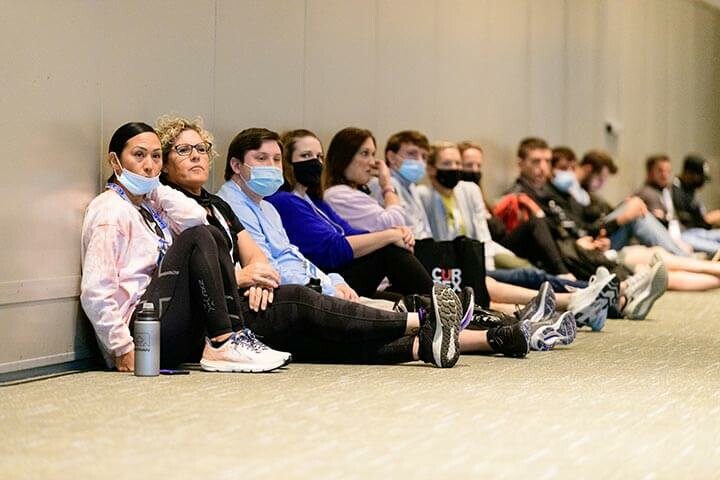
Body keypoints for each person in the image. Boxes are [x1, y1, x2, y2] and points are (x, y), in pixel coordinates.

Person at [154, 117, 473, 367]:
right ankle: (427, 320)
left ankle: (432, 344)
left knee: (319, 338)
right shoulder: (167, 206)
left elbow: (266, 256)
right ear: (164, 161)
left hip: (263, 290)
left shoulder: (224, 204)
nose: (196, 156)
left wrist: (273, 273)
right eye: (184, 150)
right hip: (223, 309)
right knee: (304, 303)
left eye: (201, 149)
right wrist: (246, 276)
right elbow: (176, 270)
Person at [214, 126, 536, 358]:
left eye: (275, 160)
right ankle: (442, 319)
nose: (272, 167)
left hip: (316, 281)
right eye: (262, 158)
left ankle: (485, 335)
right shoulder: (246, 203)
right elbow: (318, 252)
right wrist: (330, 280)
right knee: (366, 310)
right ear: (236, 165)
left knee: (368, 315)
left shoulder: (270, 205)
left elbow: (293, 253)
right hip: (285, 294)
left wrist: (332, 281)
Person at [80, 122, 291, 374]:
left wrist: (154, 187)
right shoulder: (109, 210)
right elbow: (95, 291)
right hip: (139, 337)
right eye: (139, 155)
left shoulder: (148, 206)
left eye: (156, 157)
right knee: (198, 238)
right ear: (115, 162)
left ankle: (232, 338)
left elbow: (197, 217)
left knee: (209, 232)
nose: (149, 165)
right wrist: (122, 349)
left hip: (168, 326)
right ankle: (223, 341)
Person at [506, 137, 669, 320]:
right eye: (536, 161)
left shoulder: (551, 193)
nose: (543, 167)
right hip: (553, 258)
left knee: (622, 256)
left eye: (547, 161)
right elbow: (536, 233)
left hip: (571, 248)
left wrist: (586, 239)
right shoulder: (518, 195)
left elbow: (576, 224)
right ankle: (627, 291)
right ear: (520, 163)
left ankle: (628, 292)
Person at [265, 128, 433, 298]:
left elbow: (349, 232)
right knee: (389, 250)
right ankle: (442, 307)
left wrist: (394, 233)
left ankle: (439, 309)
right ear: (287, 162)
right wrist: (390, 234)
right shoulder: (284, 201)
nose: (315, 162)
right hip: (320, 282)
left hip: (339, 276)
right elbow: (331, 248)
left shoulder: (315, 201)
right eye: (306, 156)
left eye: (319, 157)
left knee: (401, 299)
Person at [637, 154, 720, 256]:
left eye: (668, 171)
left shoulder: (666, 191)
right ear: (650, 172)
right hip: (679, 237)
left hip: (682, 234)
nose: (665, 175)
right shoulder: (646, 193)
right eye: (660, 171)